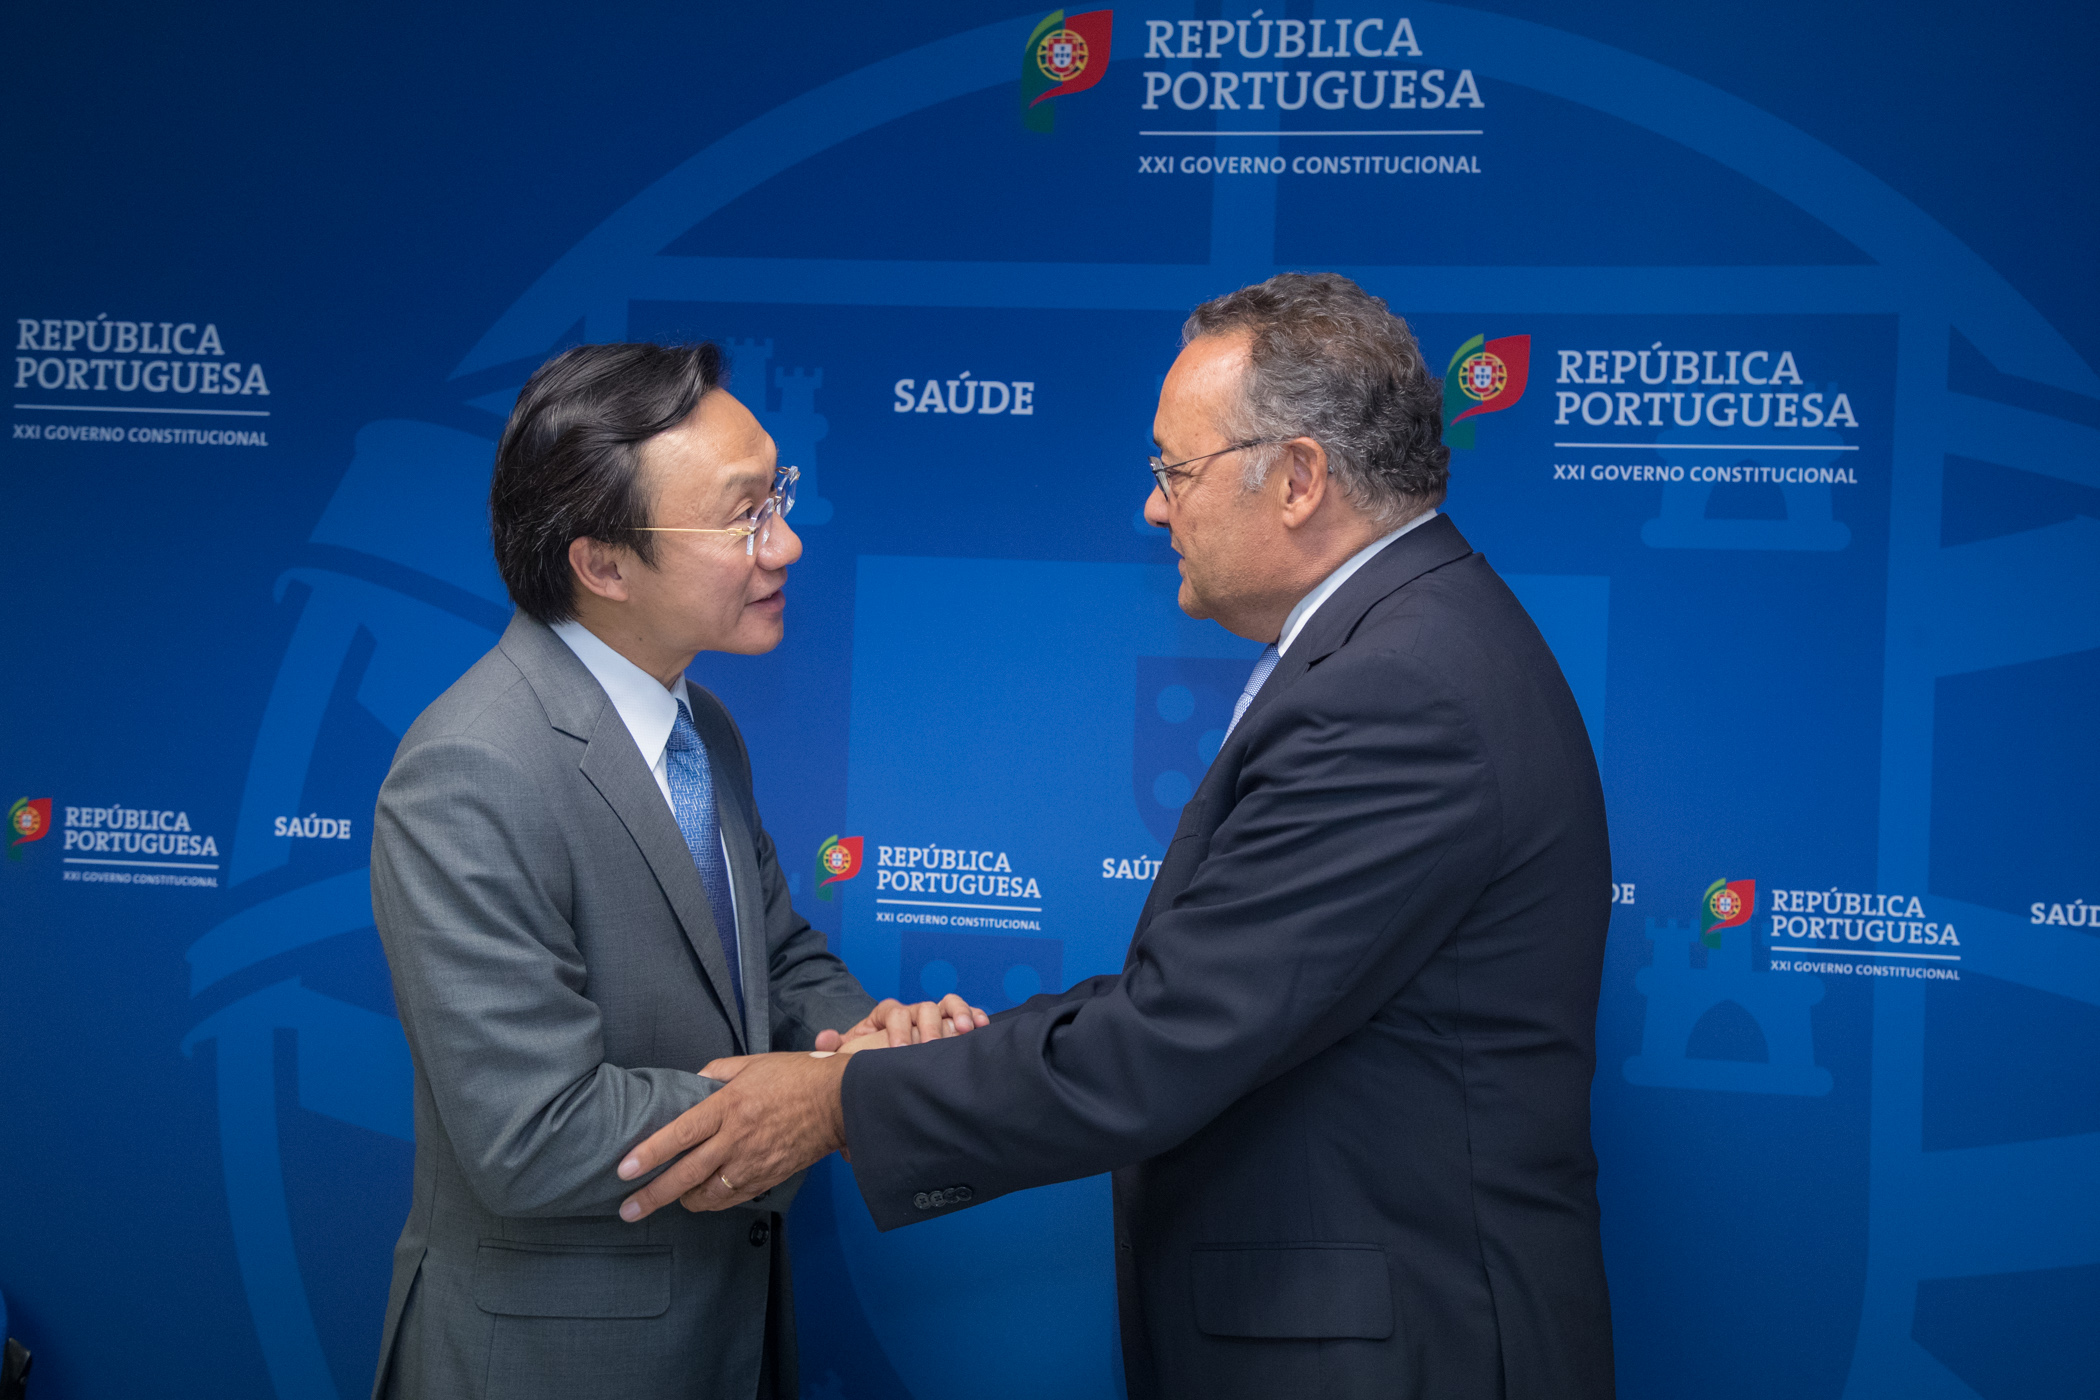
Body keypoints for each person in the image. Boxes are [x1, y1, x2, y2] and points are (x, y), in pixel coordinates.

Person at [617, 275, 1616, 1399]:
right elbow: (1203, 995)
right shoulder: (1406, 643)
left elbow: (1174, 1036)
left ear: (1298, 479)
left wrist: (836, 1100)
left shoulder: (1396, 689)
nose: (1153, 509)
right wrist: (906, 1062)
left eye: (1174, 472)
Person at [367, 341, 983, 1400]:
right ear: (603, 565)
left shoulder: (704, 730)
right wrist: (827, 1099)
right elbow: (530, 1130)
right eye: (744, 516)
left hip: (723, 1339)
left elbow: (772, 958)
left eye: (779, 496)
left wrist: (870, 1040)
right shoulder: (471, 768)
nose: (787, 542)